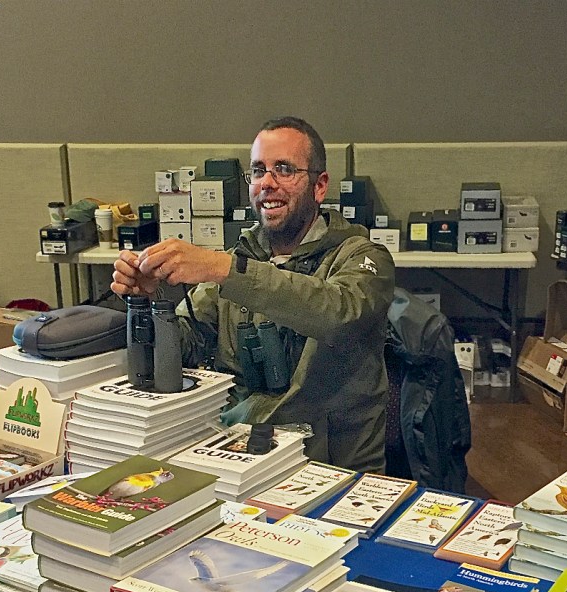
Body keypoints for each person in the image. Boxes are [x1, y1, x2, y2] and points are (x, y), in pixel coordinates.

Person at [111, 117, 395, 472]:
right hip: (241, 455)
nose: (268, 184)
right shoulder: (241, 258)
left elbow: (338, 313)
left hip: (328, 468)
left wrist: (226, 270)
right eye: (259, 171)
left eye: (284, 170)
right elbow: (189, 342)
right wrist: (152, 303)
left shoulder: (363, 257)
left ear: (319, 186)